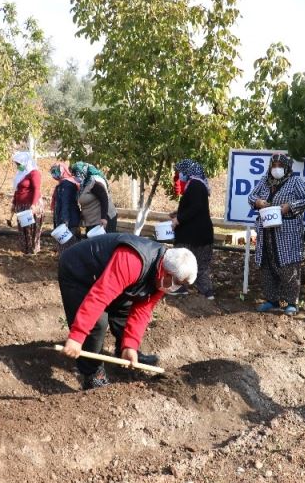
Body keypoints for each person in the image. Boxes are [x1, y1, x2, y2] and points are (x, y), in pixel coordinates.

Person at [58, 234, 197, 388]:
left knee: (124, 312)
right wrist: (77, 337)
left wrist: (130, 346)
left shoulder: (163, 277)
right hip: (80, 270)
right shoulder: (133, 260)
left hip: (116, 277)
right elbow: (100, 296)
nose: (177, 287)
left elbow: (143, 310)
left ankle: (123, 352)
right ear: (166, 273)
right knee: (98, 325)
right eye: (178, 282)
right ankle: (93, 374)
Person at [248, 153, 305, 316]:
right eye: (274, 165)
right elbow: (251, 196)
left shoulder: (294, 181)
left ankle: (292, 302)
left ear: (286, 167)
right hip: (266, 230)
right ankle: (272, 300)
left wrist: (289, 206)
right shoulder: (265, 181)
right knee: (267, 264)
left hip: (287, 231)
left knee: (288, 265)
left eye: (280, 165)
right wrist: (258, 202)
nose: (276, 168)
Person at [170, 159, 215, 299]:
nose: (180, 175)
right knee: (201, 264)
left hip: (191, 234)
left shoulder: (194, 185)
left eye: (181, 172)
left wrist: (179, 219)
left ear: (188, 171)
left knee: (181, 261)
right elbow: (195, 208)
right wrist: (178, 214)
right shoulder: (198, 184)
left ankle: (180, 288)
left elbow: (195, 207)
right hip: (201, 234)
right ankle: (207, 293)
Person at [11, 151, 44, 255]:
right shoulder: (20, 174)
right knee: (23, 228)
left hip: (31, 205)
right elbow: (17, 190)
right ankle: (26, 250)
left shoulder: (34, 173)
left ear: (25, 162)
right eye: (16, 164)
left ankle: (33, 251)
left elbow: (37, 189)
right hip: (21, 206)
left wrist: (33, 205)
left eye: (19, 164)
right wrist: (14, 203)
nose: (18, 166)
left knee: (32, 229)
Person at [72, 162, 118, 234]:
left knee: (104, 243)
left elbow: (104, 198)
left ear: (83, 172)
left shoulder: (95, 182)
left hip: (103, 220)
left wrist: (103, 218)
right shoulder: (85, 183)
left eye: (77, 174)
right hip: (92, 221)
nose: (75, 177)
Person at [49, 162, 82, 255]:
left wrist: (64, 222)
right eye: (53, 172)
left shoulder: (66, 185)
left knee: (68, 247)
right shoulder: (64, 184)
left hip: (69, 220)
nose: (54, 174)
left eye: (56, 171)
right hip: (68, 219)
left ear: (63, 171)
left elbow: (65, 204)